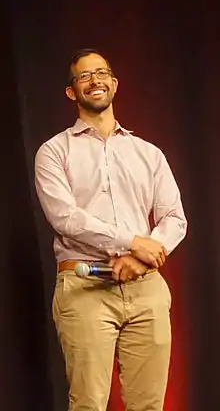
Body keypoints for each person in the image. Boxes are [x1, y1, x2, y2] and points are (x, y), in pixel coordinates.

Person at [35, 48, 187, 411]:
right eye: (84, 76)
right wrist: (133, 242)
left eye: (101, 73)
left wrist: (142, 260)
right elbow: (65, 217)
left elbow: (174, 218)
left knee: (149, 405)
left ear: (114, 84)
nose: (95, 80)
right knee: (88, 404)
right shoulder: (54, 151)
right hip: (85, 285)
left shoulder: (148, 153)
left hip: (145, 287)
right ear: (72, 92)